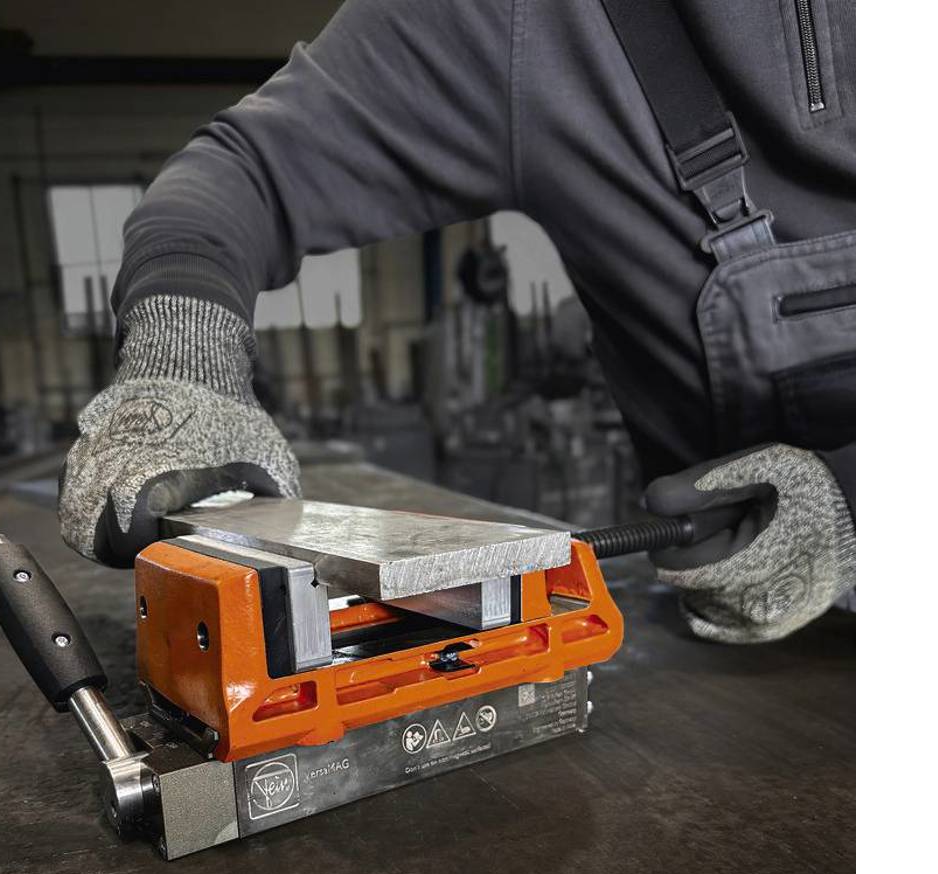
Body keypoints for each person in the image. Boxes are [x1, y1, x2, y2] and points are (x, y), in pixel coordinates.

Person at [59, 0, 855, 644]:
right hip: (765, 682)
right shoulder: (522, 20)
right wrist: (183, 358)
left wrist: (854, 503)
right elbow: (242, 176)